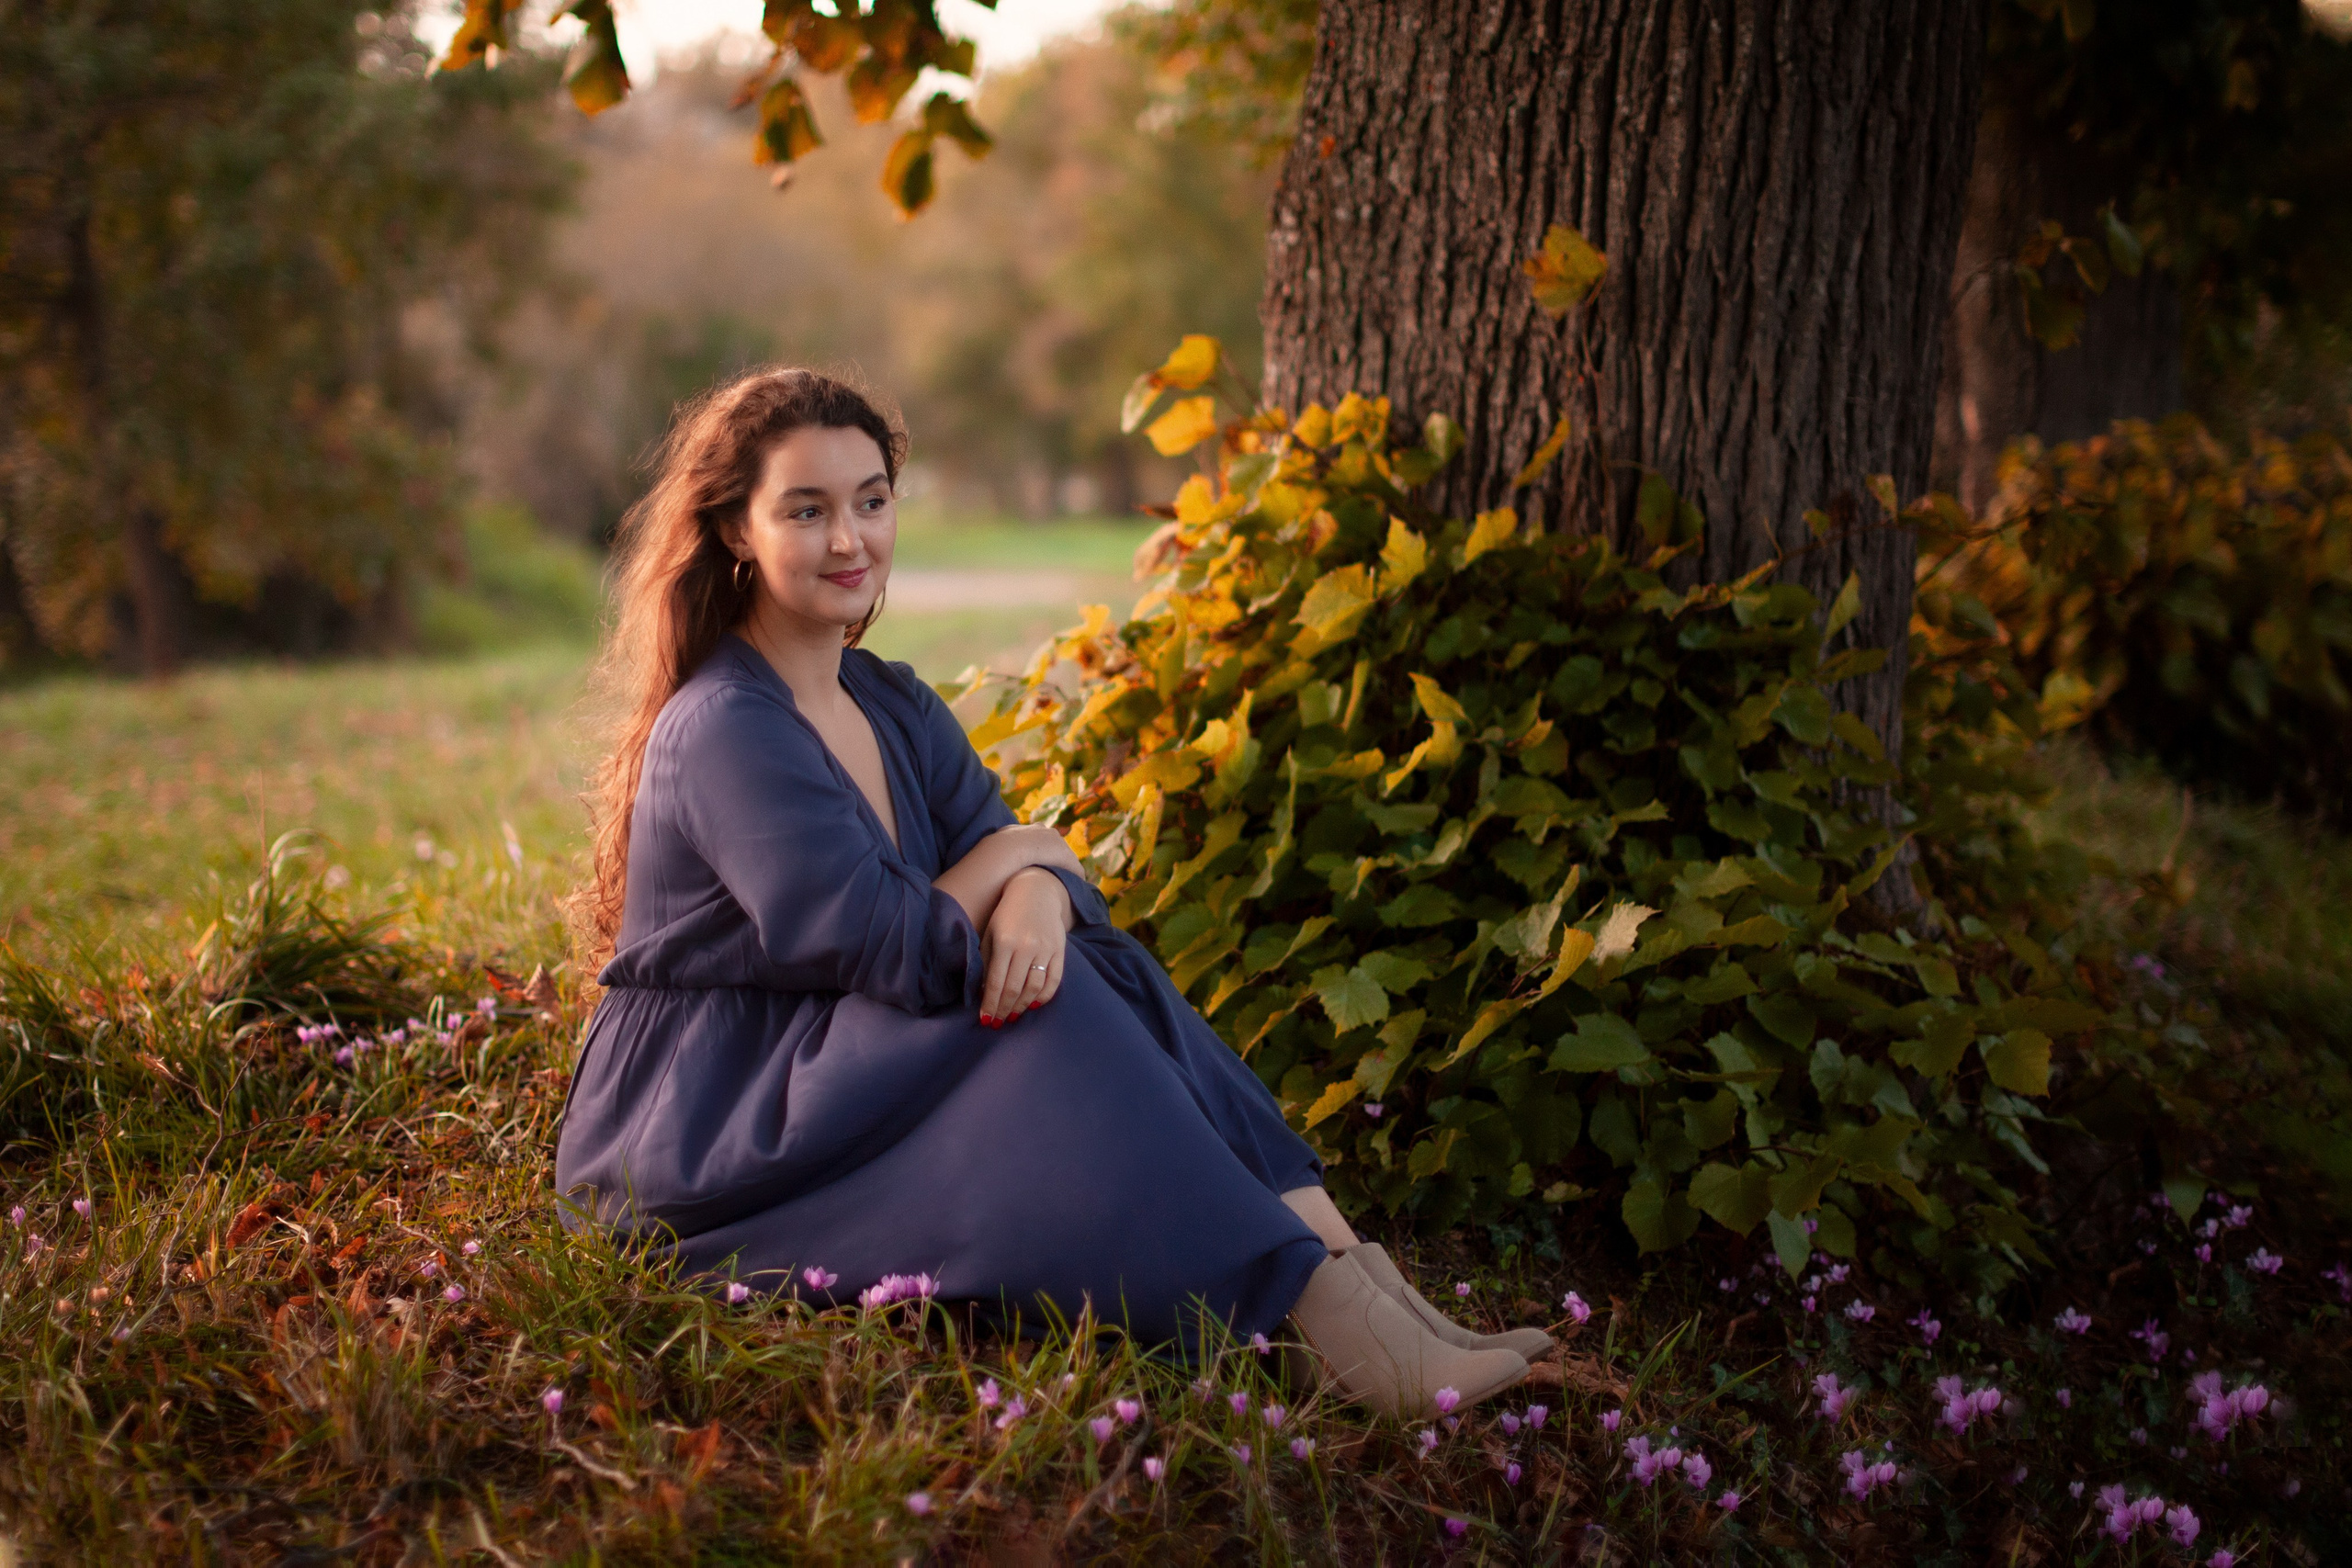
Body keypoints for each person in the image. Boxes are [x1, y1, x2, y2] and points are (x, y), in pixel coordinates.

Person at [556, 367, 1550, 1418]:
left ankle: (1352, 1280)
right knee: (1058, 993)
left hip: (836, 1052)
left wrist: (1034, 880)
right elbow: (884, 942)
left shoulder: (888, 700)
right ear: (737, 532)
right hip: (715, 1114)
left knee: (1092, 962)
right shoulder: (725, 728)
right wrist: (1030, 855)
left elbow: (1011, 862)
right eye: (806, 510)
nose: (850, 539)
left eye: (871, 501)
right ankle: (1308, 1310)